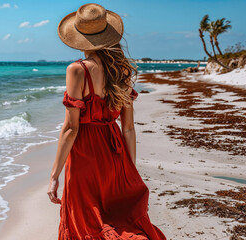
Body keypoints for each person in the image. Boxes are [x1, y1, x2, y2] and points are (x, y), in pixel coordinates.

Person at [47, 3, 167, 240]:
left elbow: (71, 129)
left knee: (86, 219)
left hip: (85, 155)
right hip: (115, 153)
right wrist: (128, 168)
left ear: (79, 38)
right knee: (115, 217)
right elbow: (129, 128)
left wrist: (54, 176)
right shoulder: (121, 71)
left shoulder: (77, 70)